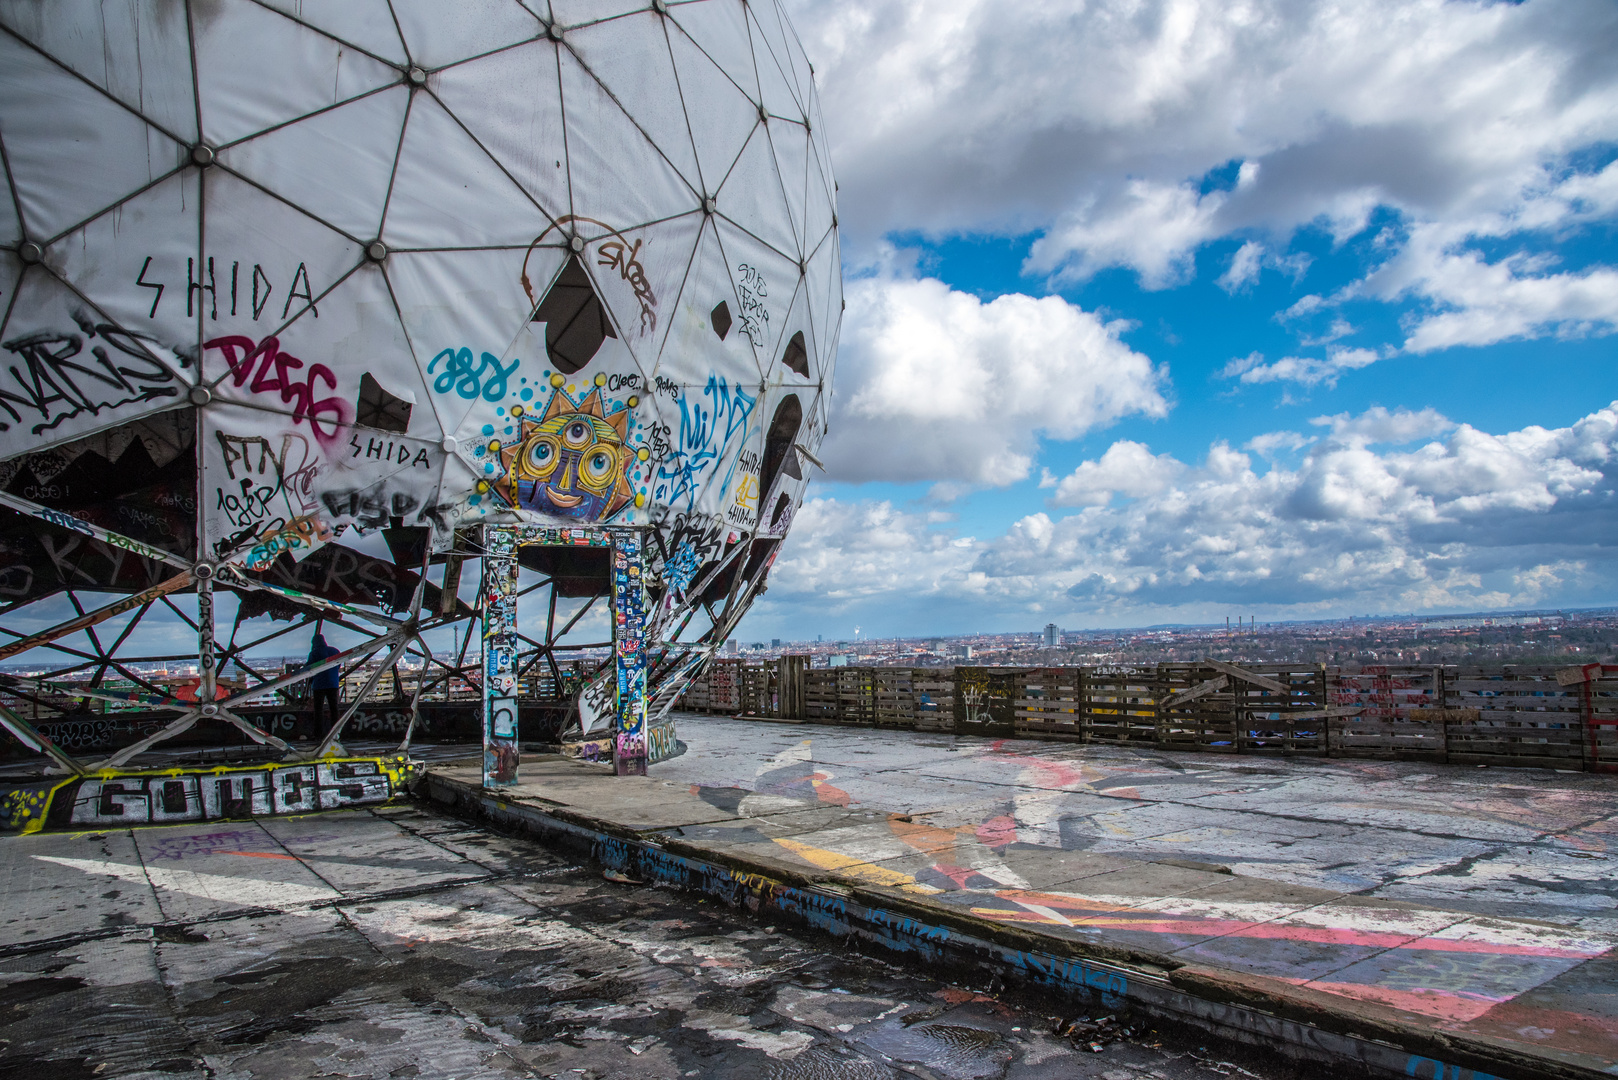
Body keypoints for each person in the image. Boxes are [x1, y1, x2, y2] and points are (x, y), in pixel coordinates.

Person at [306, 631, 342, 740]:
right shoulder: (335, 651)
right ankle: (336, 733)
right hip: (333, 683)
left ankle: (318, 733)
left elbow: (309, 668)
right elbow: (339, 664)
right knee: (334, 708)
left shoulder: (314, 653)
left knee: (318, 710)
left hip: (319, 684)